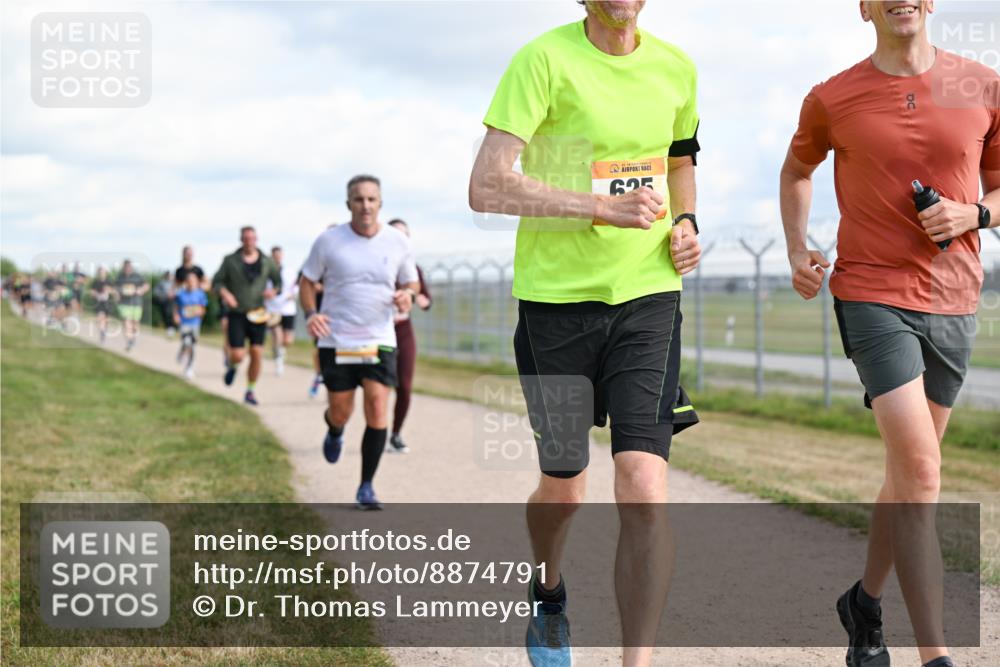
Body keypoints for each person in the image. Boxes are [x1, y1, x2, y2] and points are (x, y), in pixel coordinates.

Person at [469, 2, 702, 665]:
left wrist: (686, 223)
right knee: (565, 487)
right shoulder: (542, 60)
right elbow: (486, 186)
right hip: (556, 304)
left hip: (648, 297)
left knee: (644, 487)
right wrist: (600, 207)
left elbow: (679, 160)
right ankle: (548, 590)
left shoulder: (676, 68)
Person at [779, 3, 999, 667]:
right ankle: (936, 655)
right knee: (924, 471)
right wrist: (797, 247)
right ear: (864, 7)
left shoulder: (981, 85)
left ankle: (864, 603)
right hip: (871, 293)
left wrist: (974, 213)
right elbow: (796, 170)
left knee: (908, 475)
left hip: (955, 298)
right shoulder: (833, 96)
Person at [299, 176, 419, 510]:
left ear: (380, 203)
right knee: (341, 410)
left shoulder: (397, 241)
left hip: (379, 339)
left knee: (378, 407)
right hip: (336, 340)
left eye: (371, 199)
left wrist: (407, 296)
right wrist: (311, 313)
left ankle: (366, 486)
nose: (365, 205)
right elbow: (307, 282)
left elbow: (411, 282)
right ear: (348, 204)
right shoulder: (328, 241)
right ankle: (335, 430)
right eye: (358, 199)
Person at [212, 226, 282, 405]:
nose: (249, 242)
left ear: (256, 239)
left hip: (258, 314)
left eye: (252, 238)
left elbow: (278, 282)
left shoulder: (266, 261)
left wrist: (273, 291)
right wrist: (226, 294)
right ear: (241, 240)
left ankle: (250, 391)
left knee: (257, 352)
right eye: (246, 238)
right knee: (238, 355)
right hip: (237, 313)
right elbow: (217, 282)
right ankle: (233, 366)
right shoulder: (230, 260)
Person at [385, 219, 433, 453]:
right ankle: (375, 430)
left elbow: (426, 298)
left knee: (404, 385)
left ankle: (395, 434)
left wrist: (422, 300)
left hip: (403, 330)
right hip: (378, 332)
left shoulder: (414, 269)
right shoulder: (377, 264)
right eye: (395, 234)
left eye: (404, 235)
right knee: (378, 387)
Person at [265, 245, 298, 376]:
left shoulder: (289, 271)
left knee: (287, 340)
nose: (277, 258)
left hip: (288, 308)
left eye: (279, 255)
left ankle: (280, 351)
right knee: (277, 335)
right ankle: (278, 362)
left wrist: (294, 294)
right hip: (273, 308)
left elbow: (296, 285)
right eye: (275, 256)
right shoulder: (266, 272)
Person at [174, 271, 209, 380]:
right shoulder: (180, 294)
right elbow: (176, 307)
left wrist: (199, 312)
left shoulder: (200, 294)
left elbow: (203, 309)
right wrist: (176, 316)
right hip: (184, 323)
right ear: (186, 282)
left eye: (193, 281)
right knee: (186, 342)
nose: (191, 283)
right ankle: (182, 351)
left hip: (195, 323)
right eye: (189, 281)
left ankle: (189, 368)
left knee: (192, 346)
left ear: (197, 282)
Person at [116, 259, 148, 351]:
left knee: (135, 323)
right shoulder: (120, 277)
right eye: (125, 267)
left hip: (136, 303)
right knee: (126, 321)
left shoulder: (137, 276)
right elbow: (115, 288)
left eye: (129, 267)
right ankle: (129, 340)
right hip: (124, 303)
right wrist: (117, 295)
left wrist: (141, 290)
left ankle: (133, 338)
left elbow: (146, 285)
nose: (127, 269)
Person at [90, 266, 115, 344]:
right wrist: (96, 295)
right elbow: (92, 292)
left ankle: (104, 330)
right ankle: (102, 332)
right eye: (100, 272)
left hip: (108, 302)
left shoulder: (109, 282)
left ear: (106, 273)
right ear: (98, 273)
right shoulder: (95, 282)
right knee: (100, 318)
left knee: (106, 320)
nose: (101, 274)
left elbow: (114, 292)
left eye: (103, 272)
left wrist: (109, 291)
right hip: (99, 303)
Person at [153, 271, 176, 338]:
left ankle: (171, 328)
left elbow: (178, 290)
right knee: (166, 315)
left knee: (171, 315)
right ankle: (169, 328)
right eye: (168, 275)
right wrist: (164, 295)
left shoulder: (174, 283)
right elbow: (156, 292)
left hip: (173, 302)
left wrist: (173, 294)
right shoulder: (161, 283)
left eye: (171, 276)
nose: (170, 277)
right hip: (164, 301)